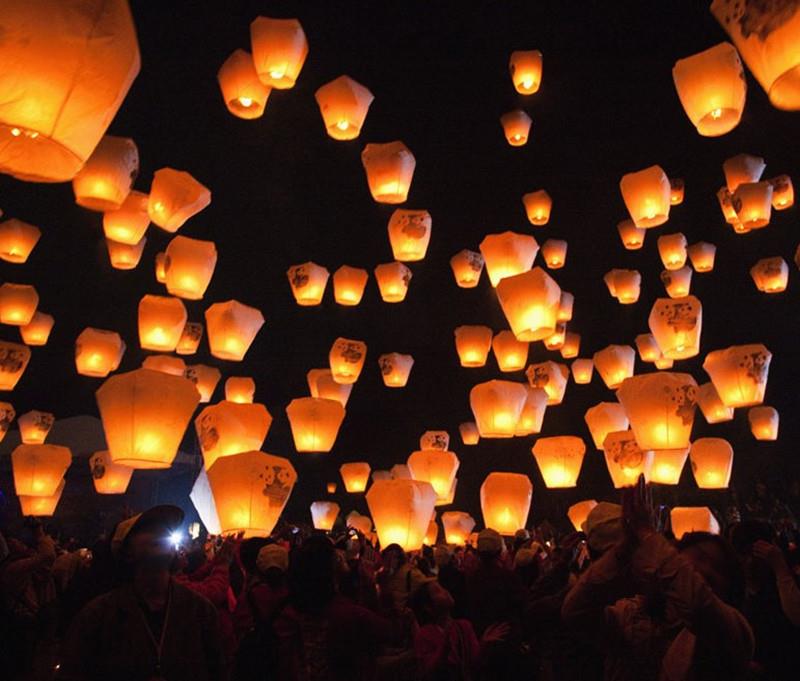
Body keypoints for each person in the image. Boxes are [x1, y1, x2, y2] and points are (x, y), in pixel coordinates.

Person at [562, 476, 754, 681]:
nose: (705, 570)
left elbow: (699, 605)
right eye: (699, 557)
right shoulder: (632, 615)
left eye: (718, 568)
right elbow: (575, 612)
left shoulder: (734, 628)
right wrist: (624, 551)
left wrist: (646, 535)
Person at [58, 505, 226, 681]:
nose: (162, 533)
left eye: (164, 529)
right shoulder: (99, 615)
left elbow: (217, 671)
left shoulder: (200, 610)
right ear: (127, 552)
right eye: (149, 529)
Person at [274, 534, 402, 681]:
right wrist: (376, 586)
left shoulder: (288, 610)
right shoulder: (347, 614)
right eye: (336, 555)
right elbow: (390, 632)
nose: (341, 556)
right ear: (330, 569)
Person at [730, 519, 800, 680]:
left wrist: (780, 567)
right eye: (743, 555)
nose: (749, 563)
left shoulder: (784, 586)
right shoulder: (734, 590)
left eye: (755, 555)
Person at [410, 578, 508, 680]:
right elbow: (428, 670)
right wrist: (445, 644)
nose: (446, 591)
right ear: (428, 607)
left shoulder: (464, 626)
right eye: (438, 591)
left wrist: (484, 643)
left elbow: (474, 663)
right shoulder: (424, 634)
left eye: (443, 588)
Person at [0, 520, 57, 680]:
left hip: (19, 622)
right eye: (14, 539)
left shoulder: (13, 567)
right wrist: (40, 532)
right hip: (21, 623)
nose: (20, 541)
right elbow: (48, 556)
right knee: (25, 667)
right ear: (7, 544)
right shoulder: (13, 569)